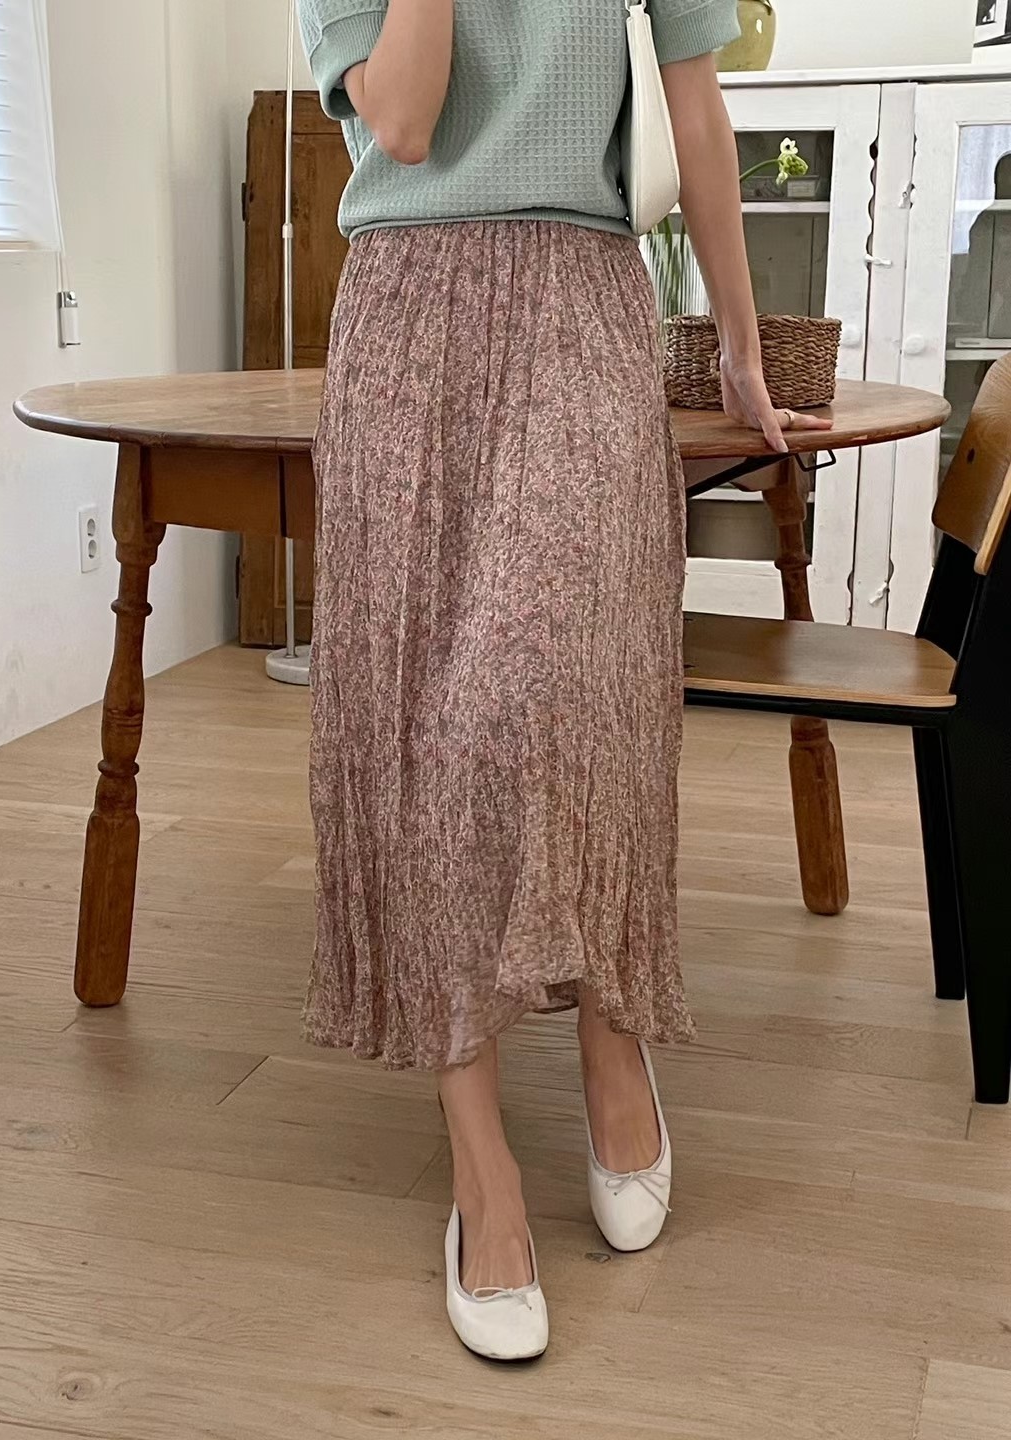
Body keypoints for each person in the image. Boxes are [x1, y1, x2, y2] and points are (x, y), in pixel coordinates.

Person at [297, 0, 832, 1360]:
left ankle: (611, 1028)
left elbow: (695, 100)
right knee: (429, 730)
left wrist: (741, 343)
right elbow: (401, 121)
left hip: (585, 303)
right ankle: (477, 1157)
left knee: (582, 694)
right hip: (408, 316)